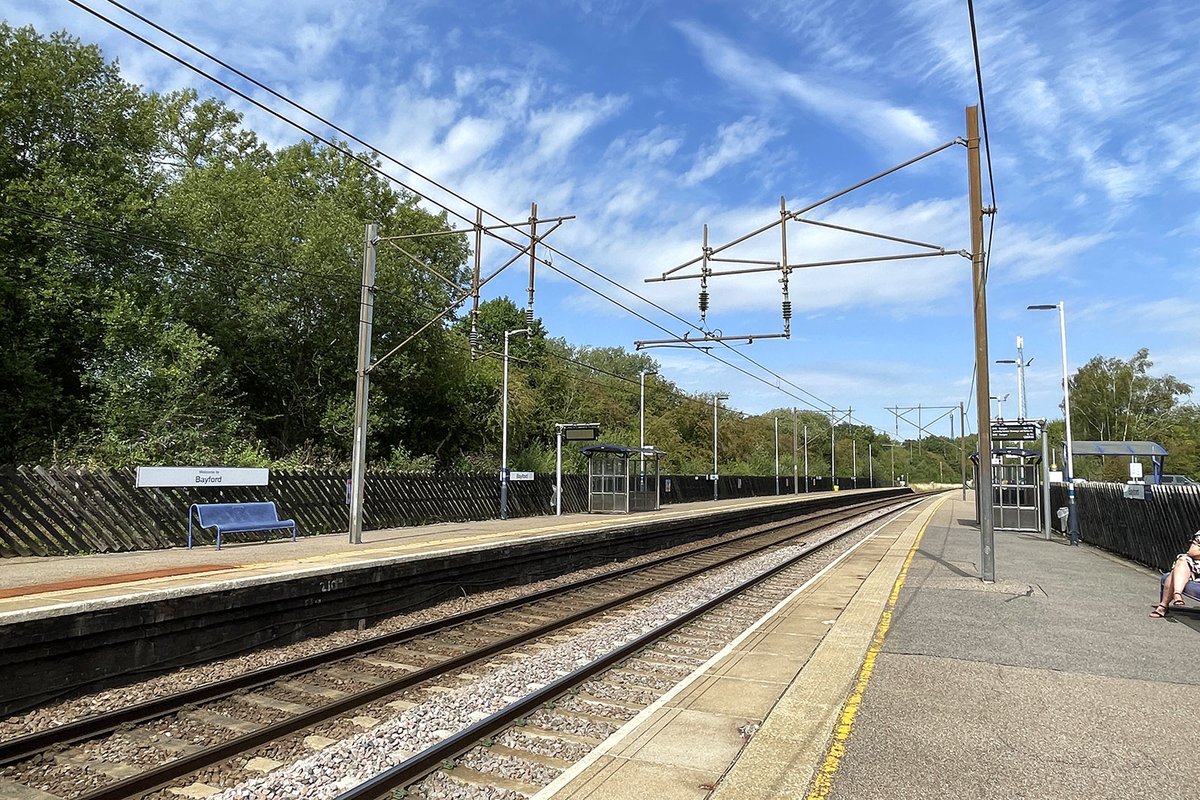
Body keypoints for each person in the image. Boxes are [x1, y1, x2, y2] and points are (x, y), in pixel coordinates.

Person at [1150, 528, 1200, 618]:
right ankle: (1177, 593)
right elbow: (1192, 552)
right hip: (1196, 567)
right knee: (1182, 560)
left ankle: (1164, 605)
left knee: (1175, 572)